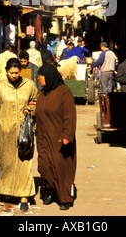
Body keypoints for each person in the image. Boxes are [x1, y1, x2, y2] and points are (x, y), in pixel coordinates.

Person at [0, 58, 38, 212]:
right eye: (11, 73)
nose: (14, 76)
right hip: (6, 133)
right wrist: (0, 122)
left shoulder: (29, 85)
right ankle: (7, 193)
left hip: (24, 133)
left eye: (17, 73)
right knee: (6, 164)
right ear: (6, 71)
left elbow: (36, 102)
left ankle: (24, 197)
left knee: (24, 164)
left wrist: (30, 110)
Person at [36, 51, 77, 211]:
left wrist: (67, 136)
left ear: (49, 76)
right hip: (43, 138)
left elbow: (70, 116)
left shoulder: (64, 93)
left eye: (40, 76)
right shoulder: (42, 93)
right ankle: (51, 191)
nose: (38, 78)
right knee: (45, 167)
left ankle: (65, 198)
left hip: (59, 138)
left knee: (61, 168)